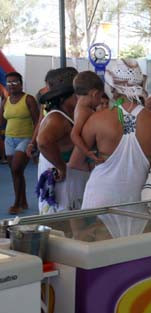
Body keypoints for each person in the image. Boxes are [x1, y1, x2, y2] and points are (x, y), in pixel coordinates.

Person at [80, 59, 151, 209]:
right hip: (140, 200)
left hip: (100, 196)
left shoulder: (97, 119)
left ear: (112, 88)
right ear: (141, 85)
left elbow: (76, 162)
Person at [36, 67, 90, 213]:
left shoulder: (68, 115)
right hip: (63, 190)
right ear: (70, 96)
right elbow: (43, 142)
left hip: (71, 187)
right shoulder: (57, 119)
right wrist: (60, 166)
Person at [0, 72, 38, 214]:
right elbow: (2, 122)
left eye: (15, 82)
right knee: (16, 172)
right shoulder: (5, 101)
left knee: (16, 169)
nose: (11, 85)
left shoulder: (29, 99)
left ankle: (16, 203)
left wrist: (34, 143)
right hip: (9, 140)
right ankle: (23, 201)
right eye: (8, 83)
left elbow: (37, 122)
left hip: (25, 139)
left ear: (21, 84)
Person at [70, 71, 106, 164]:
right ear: (94, 94)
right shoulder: (84, 111)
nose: (100, 101)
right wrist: (86, 152)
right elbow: (74, 134)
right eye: (100, 97)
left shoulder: (82, 106)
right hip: (85, 153)